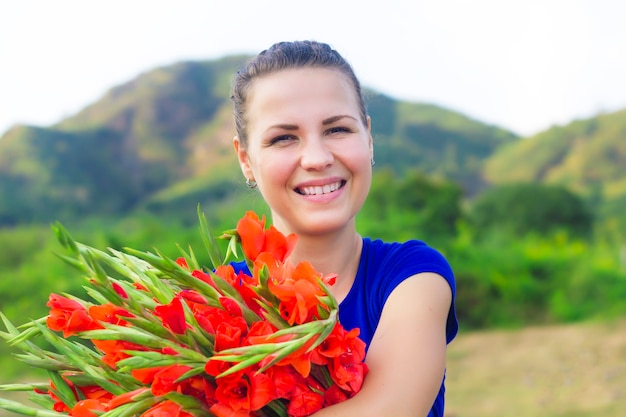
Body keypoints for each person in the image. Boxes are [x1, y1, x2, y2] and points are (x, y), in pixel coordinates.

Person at [230, 40, 458, 417]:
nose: (317, 158)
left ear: (368, 138)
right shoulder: (211, 303)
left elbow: (391, 409)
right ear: (246, 160)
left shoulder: (413, 276)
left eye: (337, 129)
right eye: (283, 138)